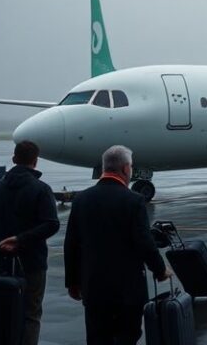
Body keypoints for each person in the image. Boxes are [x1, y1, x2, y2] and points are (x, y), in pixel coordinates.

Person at [64, 145, 173, 345]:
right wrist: (160, 270)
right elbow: (144, 242)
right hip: (127, 290)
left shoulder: (82, 200)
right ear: (125, 169)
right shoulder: (133, 200)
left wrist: (72, 282)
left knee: (98, 338)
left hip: (94, 288)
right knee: (127, 338)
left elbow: (71, 244)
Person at [0, 140, 60, 345]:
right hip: (32, 263)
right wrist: (20, 240)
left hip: (2, 264)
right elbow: (51, 225)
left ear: (14, 159)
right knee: (31, 315)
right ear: (35, 162)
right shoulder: (41, 189)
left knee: (2, 312)